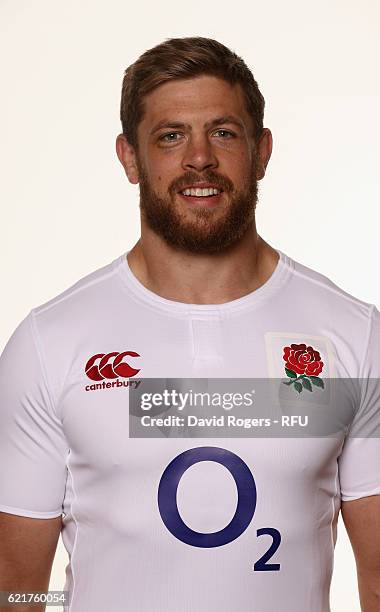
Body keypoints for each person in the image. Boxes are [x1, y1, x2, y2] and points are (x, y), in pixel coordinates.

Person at [0, 36, 379, 612]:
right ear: (130, 157)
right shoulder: (50, 343)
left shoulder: (354, 336)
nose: (199, 158)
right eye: (171, 136)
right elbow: (16, 590)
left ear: (262, 152)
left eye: (224, 133)